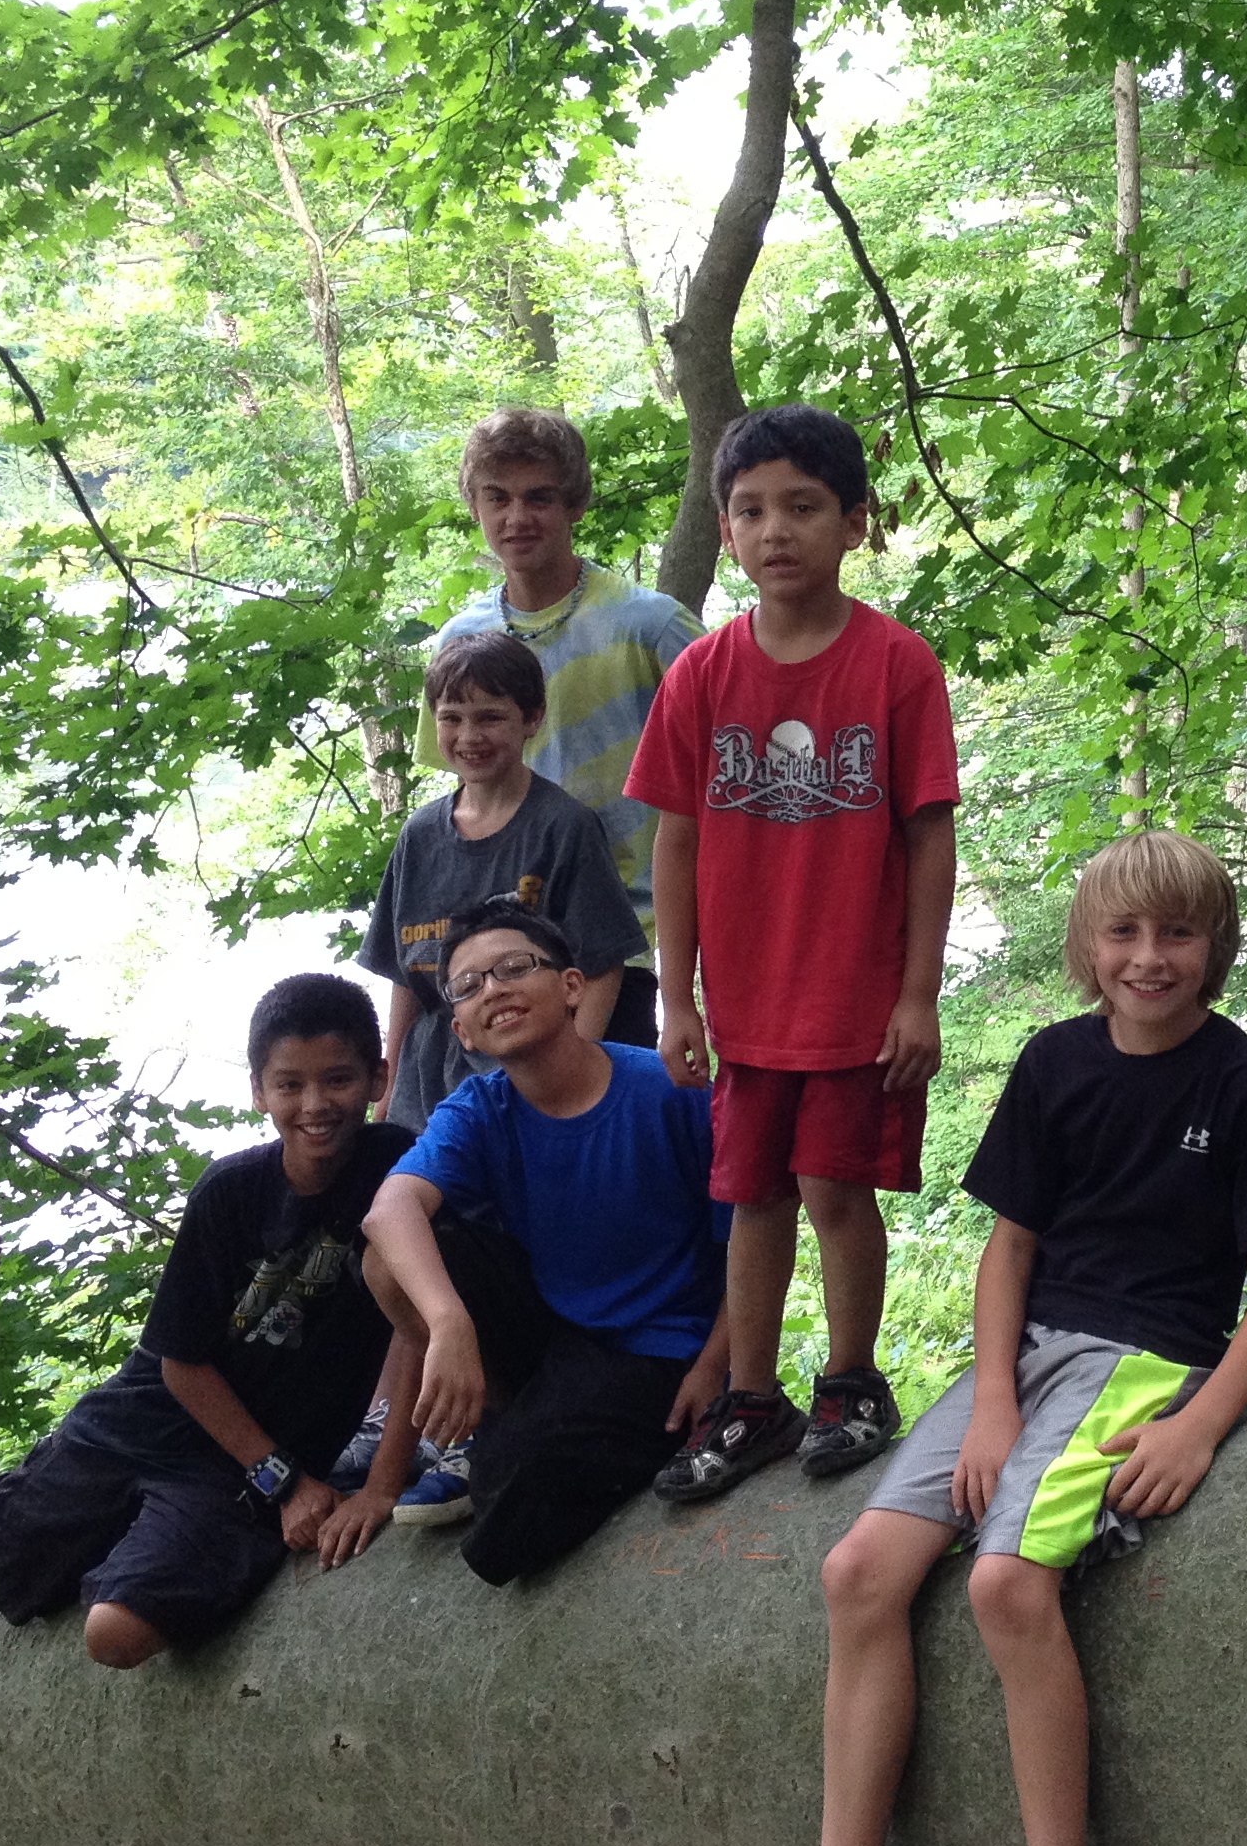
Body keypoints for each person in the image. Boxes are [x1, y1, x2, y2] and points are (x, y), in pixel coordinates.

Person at [678, 832, 1247, 1846]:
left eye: (1178, 935)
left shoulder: (1243, 1085)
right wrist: (988, 1403)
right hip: (1023, 1356)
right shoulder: (1054, 1062)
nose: (1150, 958)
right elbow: (1008, 1250)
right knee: (857, 1572)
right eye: (1124, 934)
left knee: (1007, 1583)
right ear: (1087, 947)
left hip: (1143, 1357)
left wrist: (1201, 1421)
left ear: (1216, 948)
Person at [625, 404, 958, 1498]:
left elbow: (929, 835)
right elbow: (676, 839)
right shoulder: (701, 675)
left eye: (804, 507)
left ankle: (853, 1383)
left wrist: (918, 996)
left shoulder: (897, 665)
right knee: (753, 1194)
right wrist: (678, 1000)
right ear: (725, 530)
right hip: (746, 1005)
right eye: (752, 510)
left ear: (855, 522)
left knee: (835, 1190)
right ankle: (751, 1399)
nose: (777, 531)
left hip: (857, 1000)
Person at [0, 976, 418, 1665]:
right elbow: (181, 1363)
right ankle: (125, 1532)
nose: (315, 1105)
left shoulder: (401, 1173)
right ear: (259, 1091)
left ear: (378, 1078)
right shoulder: (230, 1192)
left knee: (115, 1637)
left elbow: (416, 1328)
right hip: (147, 1420)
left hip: (241, 1464)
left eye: (338, 1080)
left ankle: (168, 1551)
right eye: (289, 1085)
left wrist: (372, 1487)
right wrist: (283, 1480)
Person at [359, 903, 730, 1585]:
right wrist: (449, 1323)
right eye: (468, 986)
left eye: (514, 967)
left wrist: (714, 1370)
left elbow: (756, 1241)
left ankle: (532, 1443)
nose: (493, 989)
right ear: (462, 1028)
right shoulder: (481, 1108)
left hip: (667, 1350)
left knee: (506, 1528)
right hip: (558, 1336)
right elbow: (389, 1211)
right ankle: (494, 1419)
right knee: (391, 1260)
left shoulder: (669, 1092)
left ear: (571, 986)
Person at [421, 405, 700, 1049]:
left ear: (574, 504)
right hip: (505, 954)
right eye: (498, 498)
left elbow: (722, 779)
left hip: (630, 943)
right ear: (475, 506)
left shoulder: (651, 626)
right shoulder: (461, 642)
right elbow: (461, 804)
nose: (517, 517)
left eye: (539, 497)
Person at [364, 630, 651, 1136]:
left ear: (532, 718)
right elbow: (403, 977)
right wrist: (386, 1092)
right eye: (451, 718)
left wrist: (570, 1078)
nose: (469, 736)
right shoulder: (419, 835)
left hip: (530, 1075)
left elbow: (603, 965)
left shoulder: (563, 827)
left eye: (490, 717)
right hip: (426, 1091)